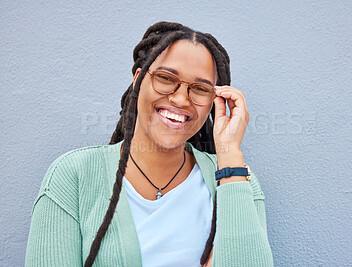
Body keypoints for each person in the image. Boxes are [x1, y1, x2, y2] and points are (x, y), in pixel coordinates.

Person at [25, 21, 274, 267]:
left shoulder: (239, 182)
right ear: (139, 79)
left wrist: (229, 154)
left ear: (214, 101)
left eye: (200, 88)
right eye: (166, 78)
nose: (180, 99)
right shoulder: (74, 176)